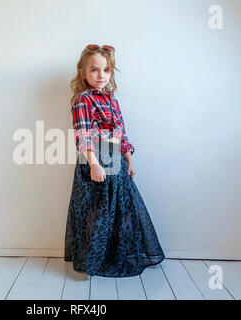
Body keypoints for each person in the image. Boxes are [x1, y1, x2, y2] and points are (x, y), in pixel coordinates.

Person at [64, 44, 165, 277]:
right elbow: (83, 135)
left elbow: (121, 133)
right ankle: (91, 260)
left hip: (116, 161)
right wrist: (94, 164)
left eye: (106, 70)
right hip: (95, 161)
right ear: (83, 71)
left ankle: (112, 254)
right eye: (95, 70)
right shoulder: (83, 100)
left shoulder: (112, 101)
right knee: (96, 211)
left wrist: (129, 158)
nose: (101, 75)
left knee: (119, 211)